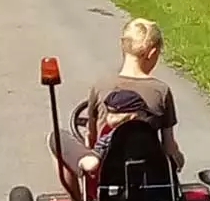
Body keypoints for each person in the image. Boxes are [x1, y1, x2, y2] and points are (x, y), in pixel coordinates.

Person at [52, 17, 184, 179]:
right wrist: (177, 158)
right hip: (148, 176)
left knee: (56, 138)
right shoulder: (161, 91)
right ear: (152, 53)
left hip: (107, 175)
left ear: (123, 47)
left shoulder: (100, 87)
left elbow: (92, 138)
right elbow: (168, 145)